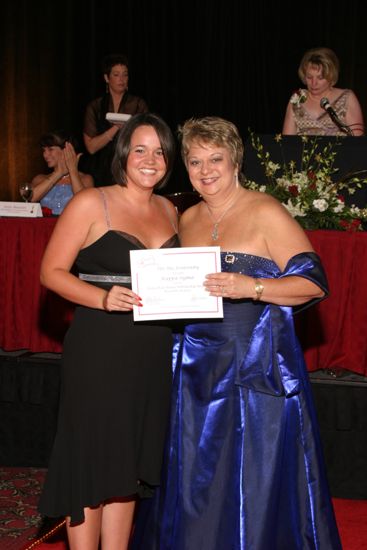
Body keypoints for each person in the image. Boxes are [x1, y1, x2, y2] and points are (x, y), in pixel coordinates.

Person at [132, 116, 342, 549]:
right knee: (196, 478)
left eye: (216, 159)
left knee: (251, 480)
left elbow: (313, 283)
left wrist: (254, 287)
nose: (205, 170)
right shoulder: (184, 217)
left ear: (235, 161)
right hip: (193, 368)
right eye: (194, 161)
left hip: (254, 369)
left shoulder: (265, 210)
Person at [38, 113, 179, 550]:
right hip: (100, 348)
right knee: (93, 459)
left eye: (159, 151)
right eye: (140, 149)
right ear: (123, 154)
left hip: (151, 350)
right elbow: (50, 272)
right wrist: (101, 298)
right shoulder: (91, 202)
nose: (150, 159)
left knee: (128, 464)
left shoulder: (170, 209)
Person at [83, 53, 149, 186]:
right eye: (116, 74)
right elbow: (91, 147)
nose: (122, 79)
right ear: (107, 78)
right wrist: (116, 128)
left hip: (129, 168)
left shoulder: (138, 104)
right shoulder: (95, 106)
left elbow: (146, 139)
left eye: (125, 74)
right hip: (101, 170)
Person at [282, 47, 364, 136]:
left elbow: (357, 142)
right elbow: (287, 143)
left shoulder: (347, 98)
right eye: (309, 77)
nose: (314, 83)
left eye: (320, 78)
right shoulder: (296, 100)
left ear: (331, 75)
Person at [31, 130, 94, 215]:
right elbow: (30, 198)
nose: (45, 155)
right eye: (44, 150)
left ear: (66, 150)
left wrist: (73, 171)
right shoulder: (40, 178)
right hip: (44, 227)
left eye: (50, 149)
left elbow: (84, 204)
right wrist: (58, 174)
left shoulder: (85, 179)